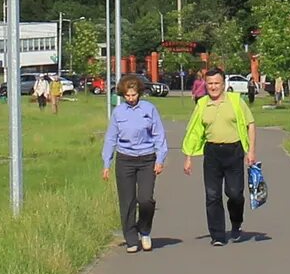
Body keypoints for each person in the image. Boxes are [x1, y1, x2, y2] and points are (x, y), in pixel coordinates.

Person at [179, 65, 257, 245]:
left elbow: (250, 124)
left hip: (234, 151)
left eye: (217, 83)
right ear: (205, 85)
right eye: (210, 83)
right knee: (212, 195)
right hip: (212, 153)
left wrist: (251, 150)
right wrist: (188, 157)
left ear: (223, 84)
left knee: (235, 194)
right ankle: (217, 235)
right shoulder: (202, 104)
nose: (213, 87)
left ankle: (236, 223)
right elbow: (194, 131)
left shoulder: (236, 101)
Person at [99, 75, 167, 252]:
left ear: (139, 93)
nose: (131, 99)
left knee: (145, 199)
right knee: (127, 201)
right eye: (127, 96)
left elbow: (158, 134)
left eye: (134, 95)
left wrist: (160, 159)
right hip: (125, 160)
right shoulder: (118, 113)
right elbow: (111, 138)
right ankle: (131, 239)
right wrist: (106, 163)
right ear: (123, 95)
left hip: (146, 158)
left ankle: (144, 230)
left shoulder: (149, 109)